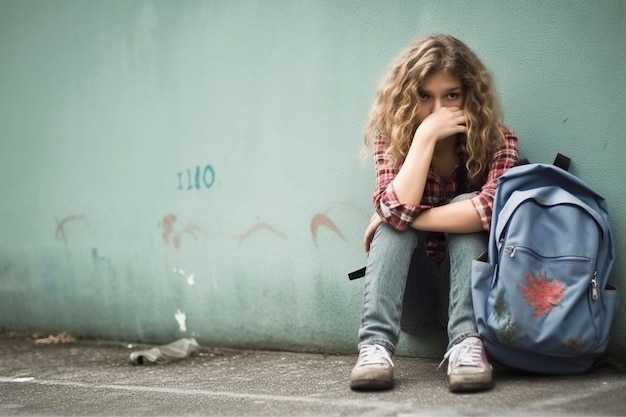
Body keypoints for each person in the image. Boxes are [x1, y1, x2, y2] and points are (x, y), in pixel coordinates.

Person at [350, 34, 519, 393]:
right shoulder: (392, 139)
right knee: (395, 227)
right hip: (413, 297)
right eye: (425, 96)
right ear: (408, 97)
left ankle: (467, 344)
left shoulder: (498, 141)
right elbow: (396, 213)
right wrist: (425, 137)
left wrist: (396, 214)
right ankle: (374, 348)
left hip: (471, 296)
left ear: (470, 95)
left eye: (451, 95)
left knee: (458, 205)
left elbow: (488, 210)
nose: (438, 109)